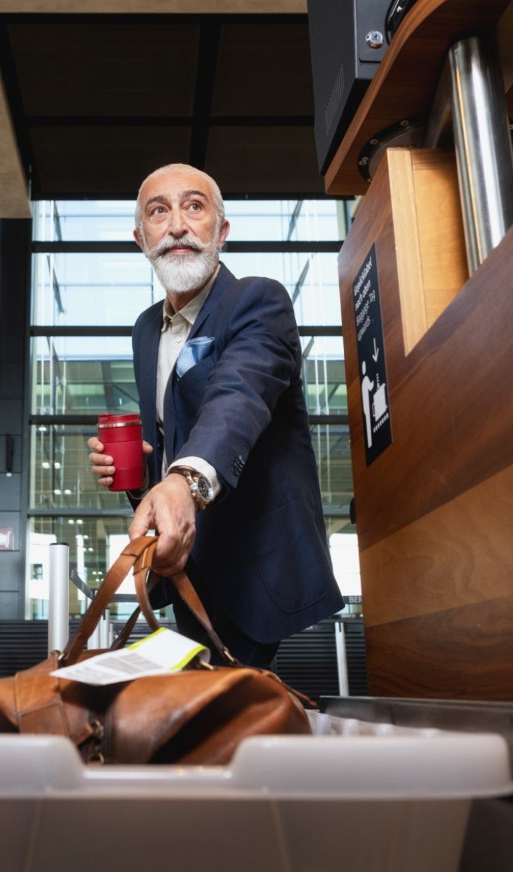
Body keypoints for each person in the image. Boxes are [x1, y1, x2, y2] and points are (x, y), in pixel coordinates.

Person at [87, 163, 343, 668]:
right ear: (141, 239)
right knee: (194, 715)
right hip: (183, 564)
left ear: (220, 231)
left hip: (255, 566)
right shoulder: (145, 330)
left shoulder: (258, 300)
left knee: (236, 717)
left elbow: (239, 396)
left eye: (194, 207)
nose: (177, 225)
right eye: (158, 212)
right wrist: (142, 478)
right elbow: (172, 437)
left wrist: (183, 481)